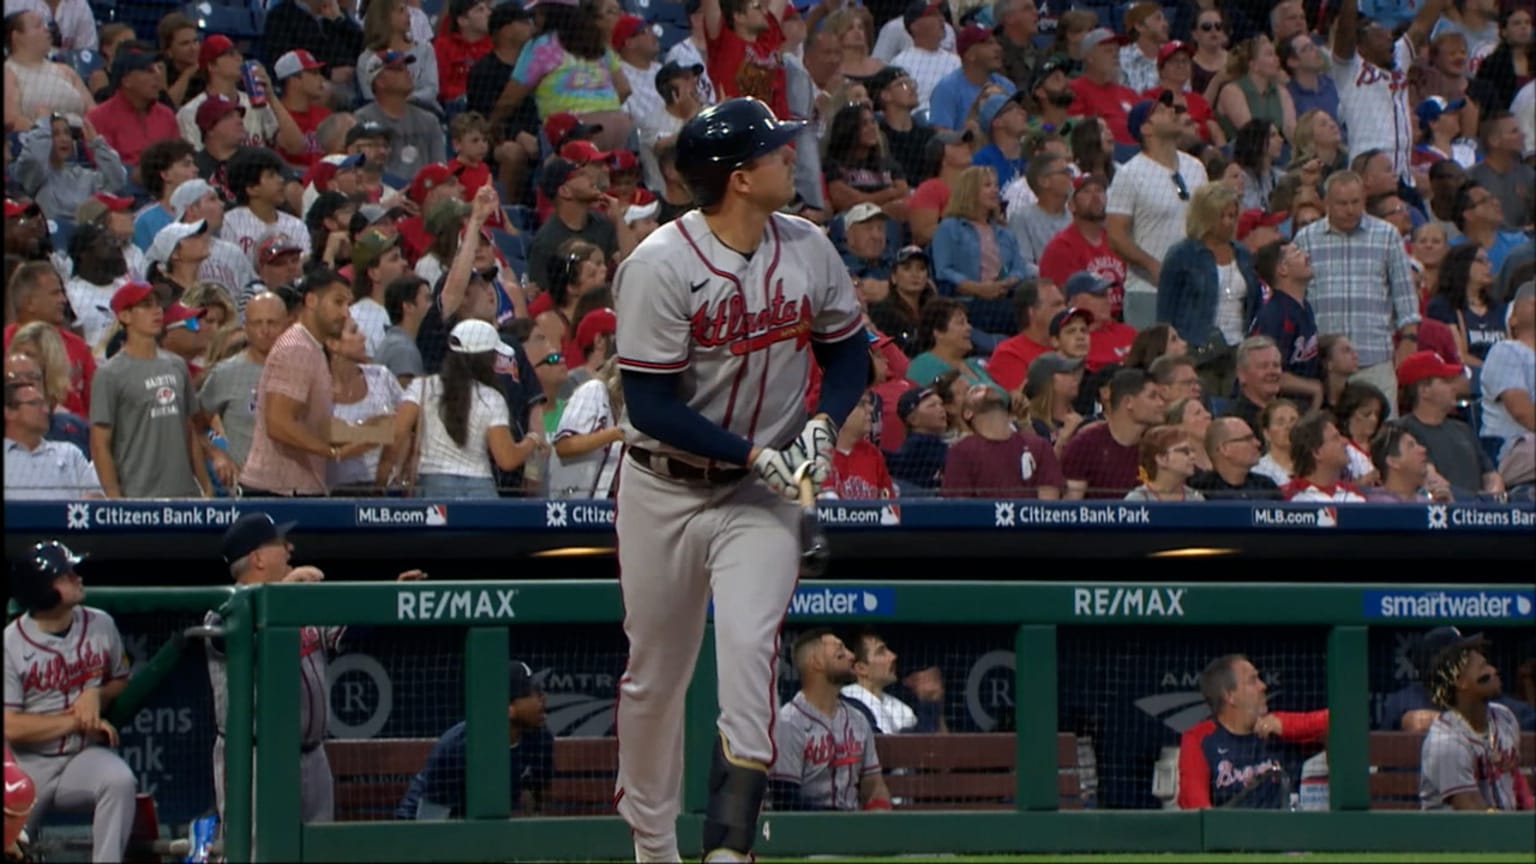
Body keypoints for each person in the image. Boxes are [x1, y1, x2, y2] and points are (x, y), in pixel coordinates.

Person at [610, 98, 865, 864]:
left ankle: (729, 848)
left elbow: (847, 353)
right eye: (777, 151)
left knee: (751, 649)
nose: (793, 156)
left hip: (764, 496)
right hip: (666, 488)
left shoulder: (810, 247)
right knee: (655, 679)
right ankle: (653, 848)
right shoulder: (658, 265)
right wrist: (753, 451)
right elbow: (651, 405)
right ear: (741, 177)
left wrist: (826, 421)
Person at [204, 514, 425, 832]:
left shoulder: (300, 603)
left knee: (316, 851)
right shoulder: (222, 607)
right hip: (254, 757)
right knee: (257, 850)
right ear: (258, 558)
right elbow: (224, 638)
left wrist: (391, 597)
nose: (290, 548)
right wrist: (280, 591)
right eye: (281, 543)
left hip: (312, 755)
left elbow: (351, 630)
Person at [239, 268, 362, 497]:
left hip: (292, 487)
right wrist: (331, 451)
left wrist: (366, 433)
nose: (345, 313)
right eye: (338, 302)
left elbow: (308, 421)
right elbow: (278, 422)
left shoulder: (312, 347)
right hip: (280, 490)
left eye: (348, 305)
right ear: (312, 300)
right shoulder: (297, 347)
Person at [89, 281, 208, 497]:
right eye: (145, 305)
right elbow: (100, 443)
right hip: (137, 496)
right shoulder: (109, 374)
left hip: (184, 495)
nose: (156, 311)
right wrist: (115, 499)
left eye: (157, 304)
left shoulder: (177, 365)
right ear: (125, 316)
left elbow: (190, 431)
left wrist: (206, 488)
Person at [396, 660, 553, 818]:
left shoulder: (540, 738)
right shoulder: (457, 748)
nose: (543, 698)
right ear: (508, 708)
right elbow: (430, 821)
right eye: (535, 693)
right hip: (422, 824)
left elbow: (532, 798)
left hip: (487, 828)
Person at [1107, 92, 1210, 327]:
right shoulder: (1129, 174)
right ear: (1146, 129)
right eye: (1161, 111)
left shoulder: (1195, 167)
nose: (1172, 112)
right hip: (1148, 290)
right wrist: (1153, 266)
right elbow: (1116, 235)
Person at [1176, 654, 1328, 809]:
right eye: (1252, 680)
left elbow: (1338, 721)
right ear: (1230, 695)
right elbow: (1195, 806)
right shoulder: (1200, 738)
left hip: (1283, 830)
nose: (1263, 686)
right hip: (1229, 831)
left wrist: (1286, 726)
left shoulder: (1277, 727)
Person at [767, 628, 893, 812]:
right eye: (840, 652)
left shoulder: (858, 719)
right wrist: (833, 825)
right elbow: (786, 800)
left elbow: (874, 786)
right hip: (806, 832)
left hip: (853, 830)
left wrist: (879, 823)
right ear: (816, 662)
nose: (851, 656)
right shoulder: (789, 722)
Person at [1419, 631, 1536, 810]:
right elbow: (1475, 816)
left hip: (1505, 829)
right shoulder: (1445, 743)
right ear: (1460, 682)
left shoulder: (1504, 717)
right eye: (1483, 667)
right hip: (1459, 835)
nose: (1493, 670)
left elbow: (1515, 779)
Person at [1396, 349, 1504, 497]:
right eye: (1445, 381)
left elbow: (1491, 475)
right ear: (1424, 390)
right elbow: (1430, 479)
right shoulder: (1403, 430)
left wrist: (1489, 500)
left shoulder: (1463, 429)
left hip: (1476, 513)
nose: (1453, 387)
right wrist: (1470, 503)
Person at [1061, 367, 1165, 499]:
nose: (1161, 403)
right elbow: (1071, 508)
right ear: (1128, 402)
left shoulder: (1157, 447)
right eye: (1152, 396)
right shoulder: (1086, 445)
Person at [4, 380, 101, 499]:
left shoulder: (70, 454)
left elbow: (96, 499)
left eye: (44, 404)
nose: (46, 410)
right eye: (35, 404)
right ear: (9, 412)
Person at [839, 629, 943, 735]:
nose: (893, 656)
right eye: (881, 652)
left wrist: (932, 700)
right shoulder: (846, 702)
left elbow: (933, 744)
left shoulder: (902, 709)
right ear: (861, 668)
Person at [1281, 410, 1367, 502]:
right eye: (1335, 438)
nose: (1345, 442)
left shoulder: (1354, 493)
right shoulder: (1287, 497)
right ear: (1317, 452)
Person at [1191, 416, 1281, 499]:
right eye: (1247, 439)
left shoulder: (1266, 486)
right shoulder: (1201, 489)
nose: (1258, 443)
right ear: (1225, 449)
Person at [1124, 423, 1206, 501]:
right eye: (1185, 451)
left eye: (1192, 451)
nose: (1193, 456)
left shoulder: (1196, 499)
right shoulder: (1137, 501)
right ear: (1161, 459)